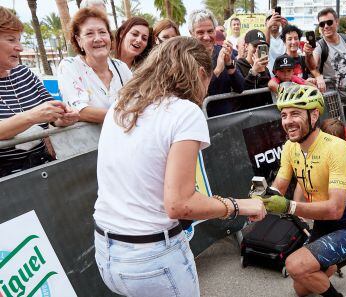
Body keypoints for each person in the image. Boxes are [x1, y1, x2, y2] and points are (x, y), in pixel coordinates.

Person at [93, 36, 266, 297]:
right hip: (151, 256)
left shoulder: (122, 103)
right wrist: (239, 205)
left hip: (107, 252)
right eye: (207, 80)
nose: (205, 90)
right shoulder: (184, 111)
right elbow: (180, 204)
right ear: (198, 73)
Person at [258, 83, 346, 297]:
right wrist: (260, 199)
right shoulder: (291, 146)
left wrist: (290, 206)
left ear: (314, 115)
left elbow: (336, 210)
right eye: (284, 115)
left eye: (295, 114)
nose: (288, 121)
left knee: (295, 265)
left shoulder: (336, 147)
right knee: (301, 288)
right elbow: (279, 187)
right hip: (323, 226)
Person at [0, 6, 79, 178]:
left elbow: (51, 114)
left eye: (20, 40)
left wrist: (61, 119)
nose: (20, 47)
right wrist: (32, 116)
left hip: (42, 169)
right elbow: (35, 115)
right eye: (11, 40)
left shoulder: (25, 73)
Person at [58, 8, 132, 123]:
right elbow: (80, 111)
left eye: (102, 32)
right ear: (79, 40)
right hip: (87, 140)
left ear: (109, 36)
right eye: (89, 33)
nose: (98, 39)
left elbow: (138, 103)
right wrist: (128, 117)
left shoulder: (121, 67)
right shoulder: (69, 66)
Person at [188, 9, 244, 116]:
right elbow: (197, 95)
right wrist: (217, 70)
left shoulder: (223, 51)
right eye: (200, 32)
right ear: (191, 33)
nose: (206, 37)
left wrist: (229, 65)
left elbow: (240, 87)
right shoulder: (187, 58)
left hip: (227, 118)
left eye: (210, 31)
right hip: (202, 119)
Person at [304, 8, 346, 97]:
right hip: (331, 100)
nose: (325, 26)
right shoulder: (319, 45)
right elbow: (313, 66)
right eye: (322, 24)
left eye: (329, 22)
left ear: (337, 22)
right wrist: (308, 54)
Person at [265, 12, 287, 76]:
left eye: (276, 18)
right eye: (270, 19)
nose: (274, 21)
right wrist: (268, 27)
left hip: (284, 75)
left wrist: (286, 26)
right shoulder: (263, 36)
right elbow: (265, 46)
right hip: (268, 76)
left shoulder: (285, 36)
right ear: (266, 22)